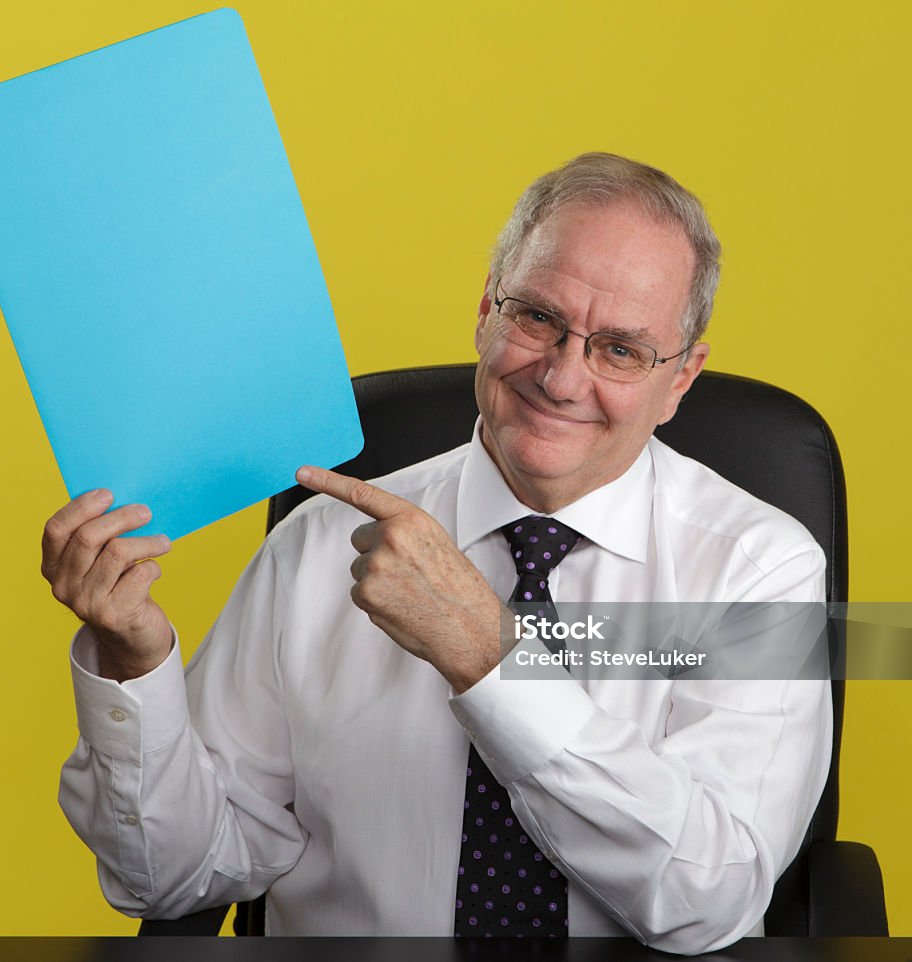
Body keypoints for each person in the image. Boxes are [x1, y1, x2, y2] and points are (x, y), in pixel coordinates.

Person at [48, 152, 831, 954]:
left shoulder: (766, 568)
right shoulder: (317, 545)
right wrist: (132, 664)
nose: (562, 379)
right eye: (537, 319)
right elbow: (174, 878)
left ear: (680, 380)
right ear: (487, 308)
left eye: (621, 351)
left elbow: (709, 899)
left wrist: (486, 656)